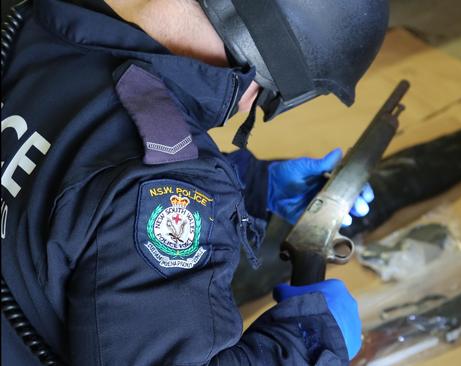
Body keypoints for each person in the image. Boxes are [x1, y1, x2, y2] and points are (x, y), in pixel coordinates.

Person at [1, 0, 388, 364]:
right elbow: (130, 191)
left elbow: (77, 178)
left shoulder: (41, 27)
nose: (247, 105)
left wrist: (254, 184)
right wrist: (310, 339)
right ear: (263, 55)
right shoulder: (160, 179)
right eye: (269, 97)